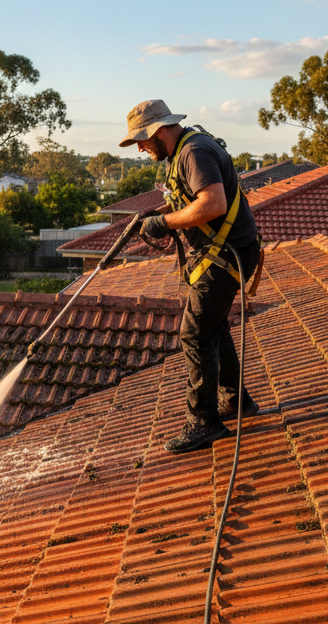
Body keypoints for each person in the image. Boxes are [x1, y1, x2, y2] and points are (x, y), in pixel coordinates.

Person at [118, 99, 261, 453]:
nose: (140, 147)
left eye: (142, 139)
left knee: (194, 333)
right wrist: (152, 216)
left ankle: (204, 422)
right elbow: (190, 198)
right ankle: (236, 400)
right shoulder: (185, 148)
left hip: (226, 255)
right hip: (224, 252)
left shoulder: (193, 151)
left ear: (158, 130)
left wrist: (164, 223)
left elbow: (213, 204)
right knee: (214, 327)